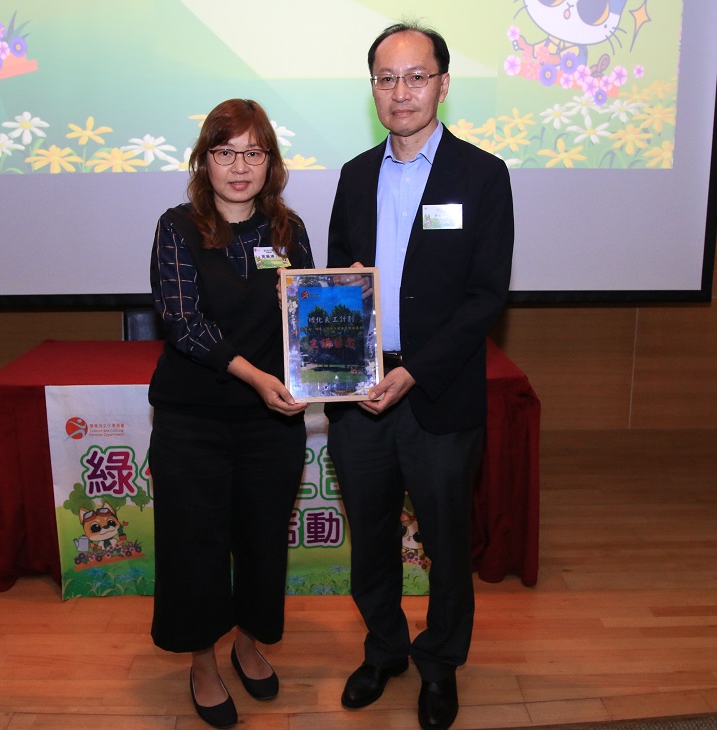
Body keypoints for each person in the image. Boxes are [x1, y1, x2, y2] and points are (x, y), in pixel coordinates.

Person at [326, 22, 515, 730]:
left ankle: (439, 666)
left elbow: (486, 297)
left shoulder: (482, 175)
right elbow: (337, 281)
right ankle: (384, 649)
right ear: (372, 88)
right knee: (370, 537)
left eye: (415, 76)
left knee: (445, 544)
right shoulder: (354, 175)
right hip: (360, 392)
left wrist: (415, 372)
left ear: (442, 83)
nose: (400, 92)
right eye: (386, 78)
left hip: (439, 393)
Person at [147, 98, 313, 729]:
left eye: (253, 152)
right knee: (195, 546)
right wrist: (256, 376)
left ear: (270, 161)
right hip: (194, 420)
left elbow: (307, 314)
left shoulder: (288, 231)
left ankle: (248, 642)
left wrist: (345, 304)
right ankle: (203, 662)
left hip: (271, 421)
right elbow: (184, 323)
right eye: (225, 152)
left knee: (264, 540)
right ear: (204, 160)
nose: (240, 167)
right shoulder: (177, 227)